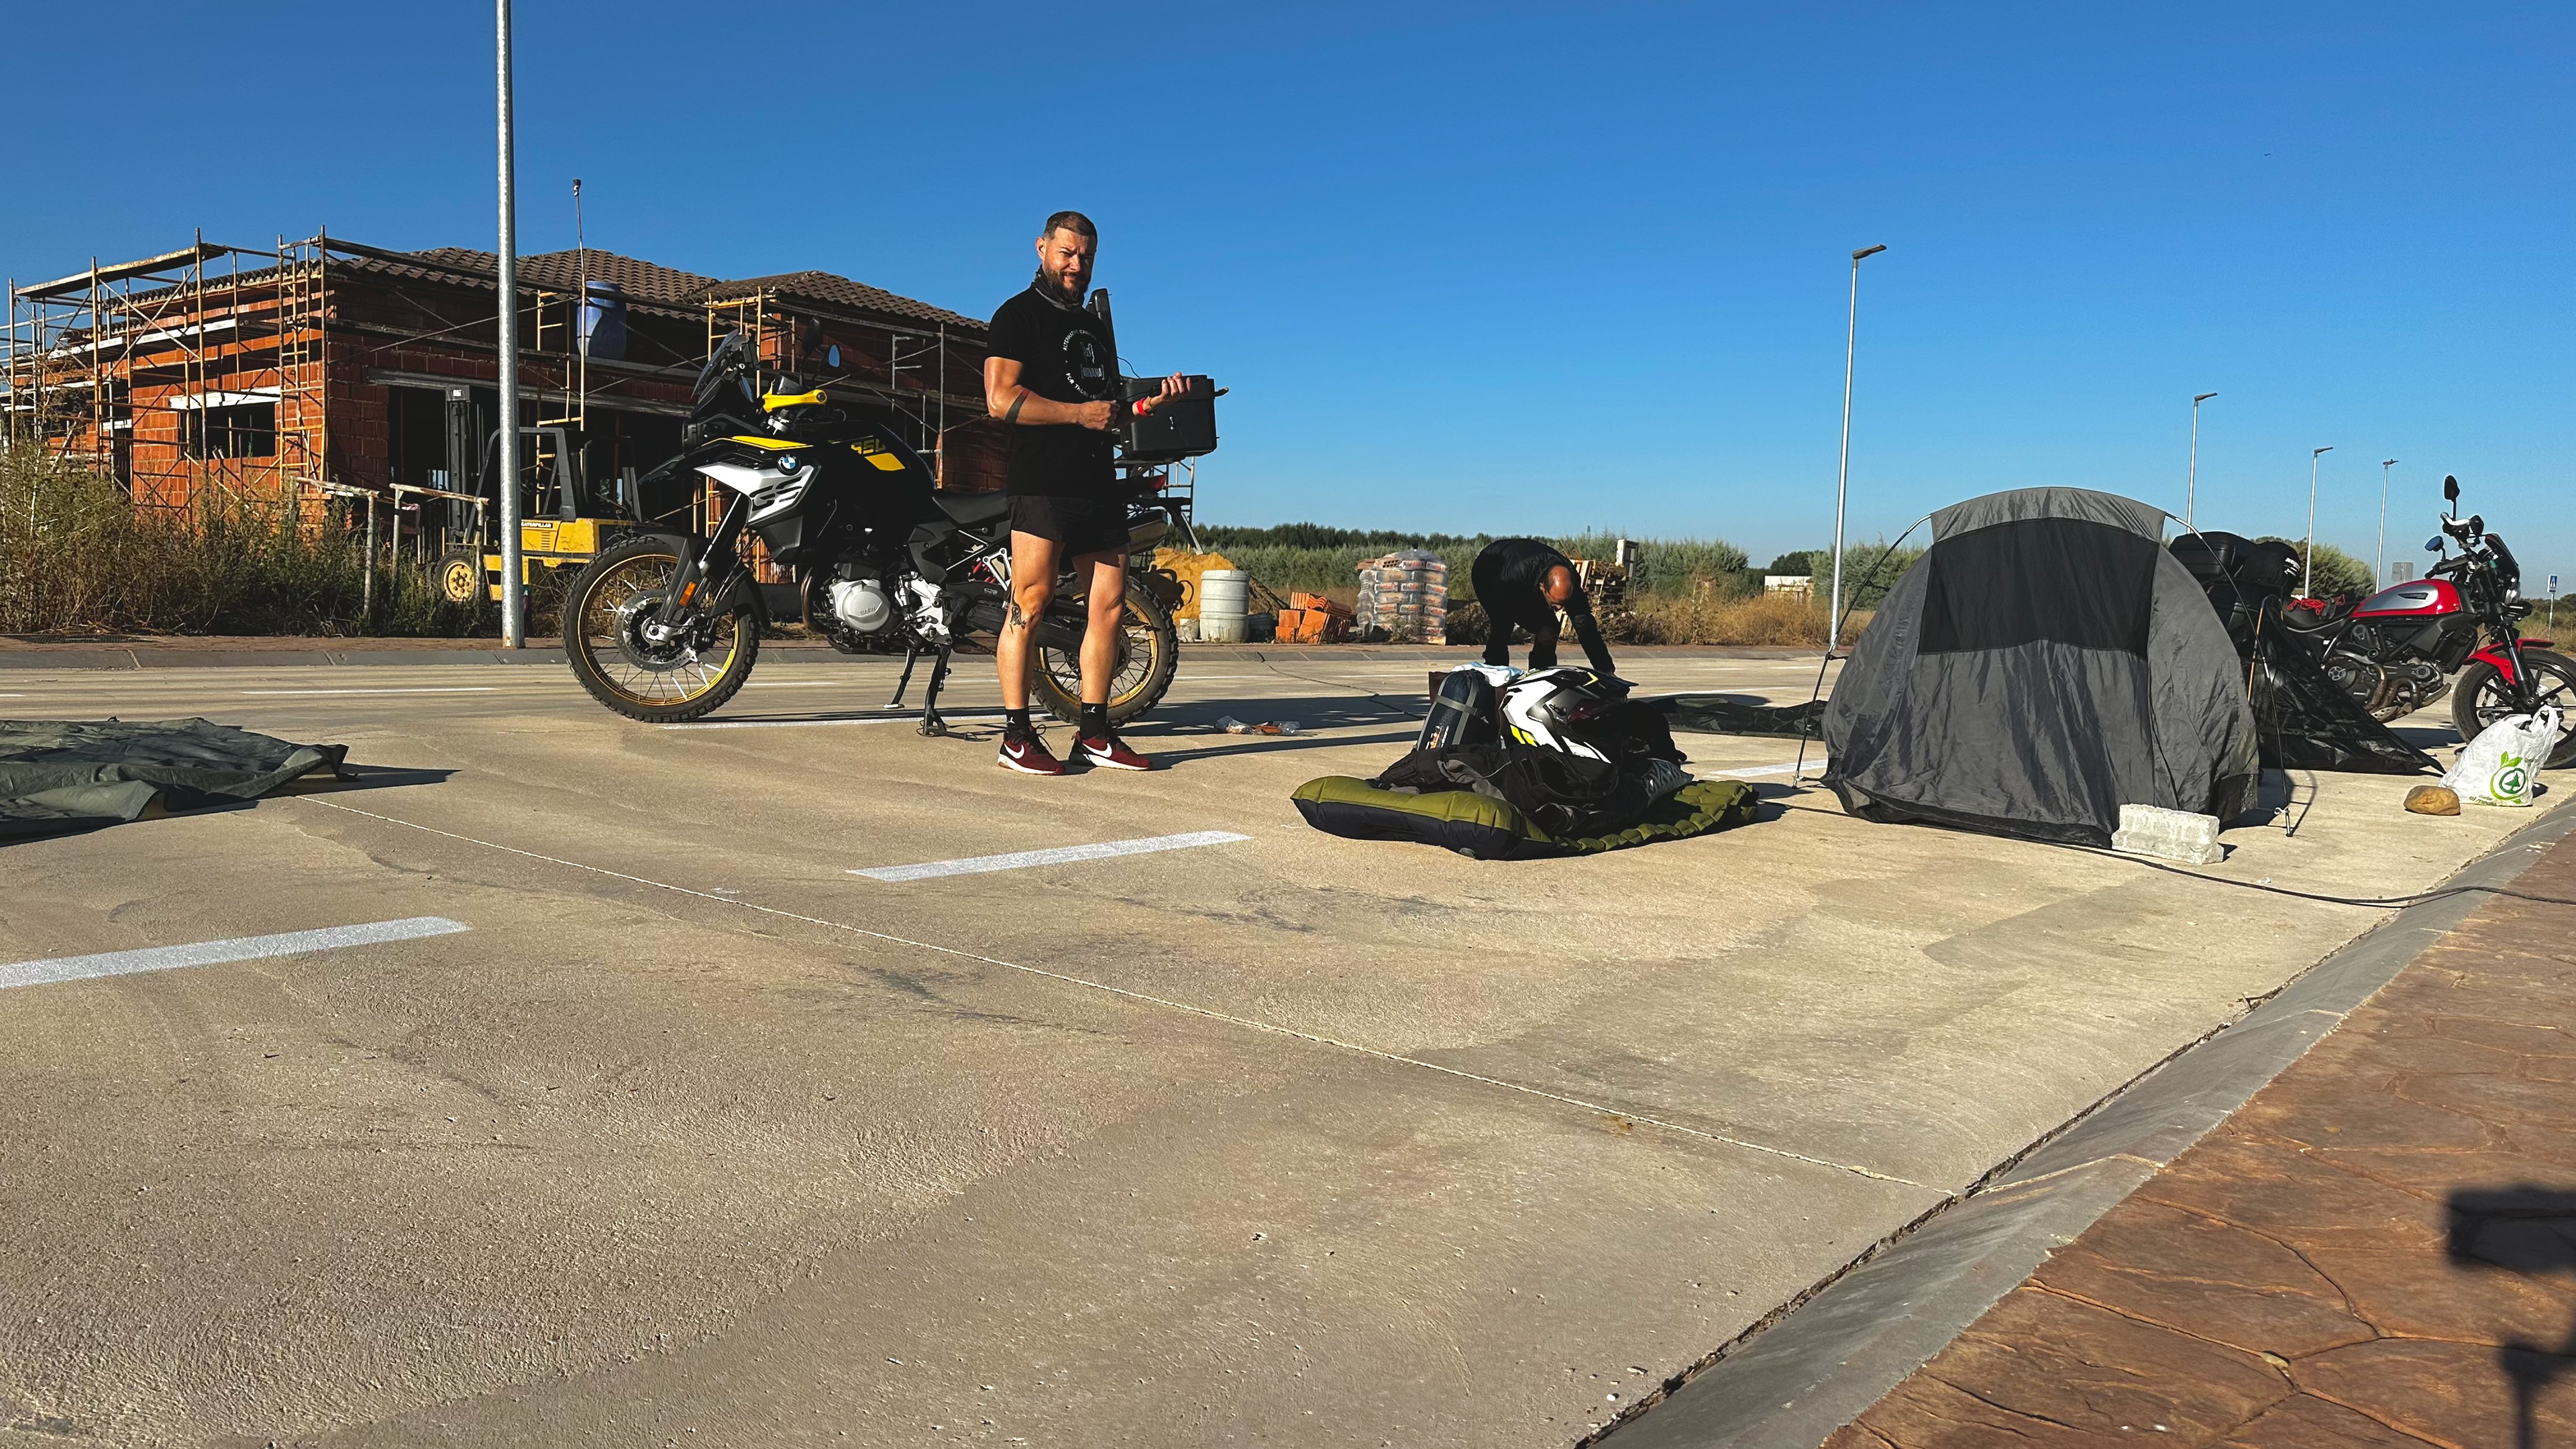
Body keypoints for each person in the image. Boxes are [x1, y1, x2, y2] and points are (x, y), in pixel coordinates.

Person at [981, 211, 1189, 775]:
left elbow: (1108, 414)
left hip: (1096, 482)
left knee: (1110, 605)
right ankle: (1016, 737)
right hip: (1043, 482)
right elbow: (1000, 400)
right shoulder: (1016, 316)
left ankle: (1094, 733)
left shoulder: (1093, 328)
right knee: (1030, 602)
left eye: (1086, 256)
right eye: (1067, 253)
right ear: (1042, 248)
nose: (1077, 265)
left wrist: (1149, 406)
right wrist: (1077, 414)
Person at [1470, 537, 1619, 679]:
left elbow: (1585, 627)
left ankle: (1541, 675)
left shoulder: (1571, 581)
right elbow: (1507, 611)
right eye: (1555, 603)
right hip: (1489, 571)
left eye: (1564, 603)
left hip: (1522, 567)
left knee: (1551, 630)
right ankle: (1495, 674)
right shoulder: (1517, 576)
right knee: (1503, 623)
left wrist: (1605, 669)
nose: (1560, 608)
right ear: (1542, 587)